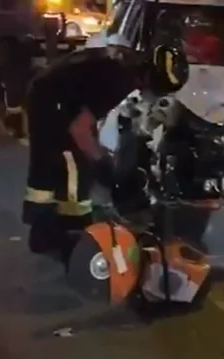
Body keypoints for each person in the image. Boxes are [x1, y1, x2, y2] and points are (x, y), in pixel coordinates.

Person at [22, 45, 144, 257]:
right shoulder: (120, 83)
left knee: (57, 161)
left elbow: (86, 117)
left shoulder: (125, 64)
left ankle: (46, 232)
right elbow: (80, 129)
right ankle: (71, 232)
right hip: (50, 99)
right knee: (73, 164)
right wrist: (102, 164)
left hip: (53, 93)